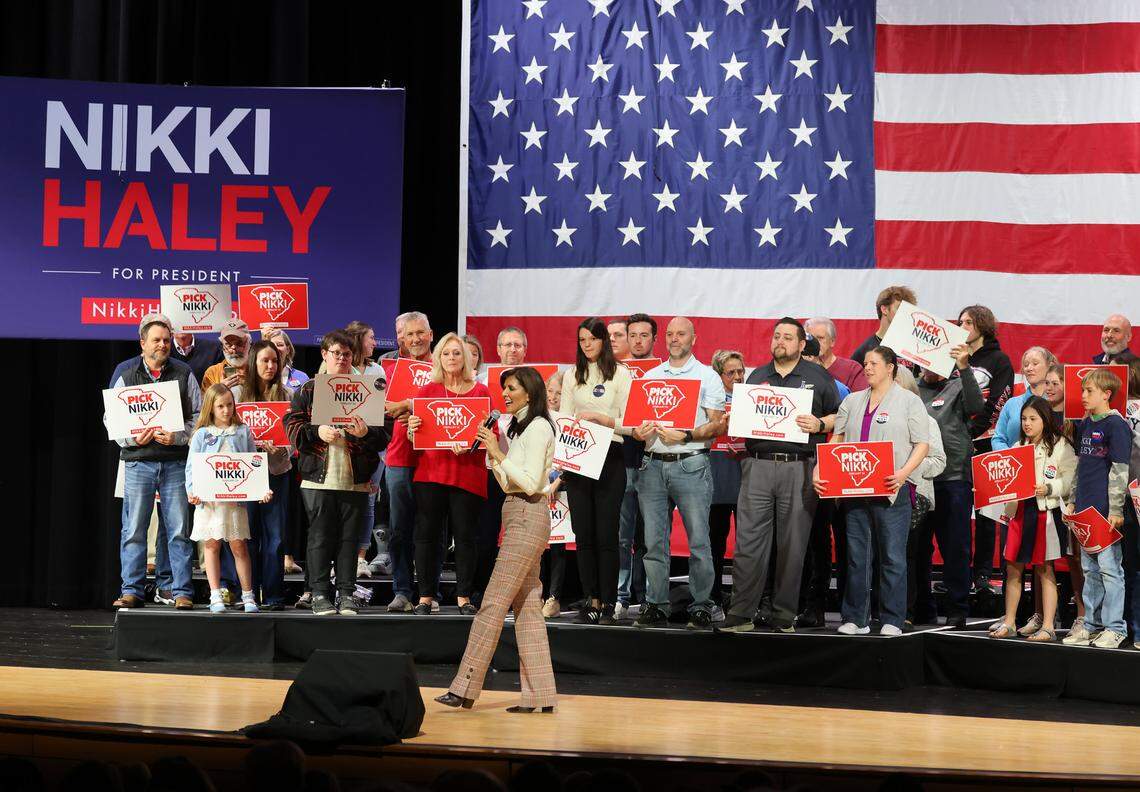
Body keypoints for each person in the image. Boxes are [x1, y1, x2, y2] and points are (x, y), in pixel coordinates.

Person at [436, 366, 558, 713]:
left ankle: (464, 687)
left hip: (527, 516)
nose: (504, 394)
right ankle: (541, 696)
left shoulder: (537, 427)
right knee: (527, 608)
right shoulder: (521, 429)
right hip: (517, 513)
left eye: (511, 388)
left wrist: (499, 453)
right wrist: (494, 452)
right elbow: (509, 484)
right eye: (503, 388)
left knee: (491, 604)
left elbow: (533, 484)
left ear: (530, 393)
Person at [717, 319, 840, 634]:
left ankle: (784, 615)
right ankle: (741, 614)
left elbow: (843, 416)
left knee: (793, 544)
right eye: (776, 336)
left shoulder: (819, 377)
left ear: (801, 345)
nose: (780, 341)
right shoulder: (757, 376)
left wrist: (821, 424)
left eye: (788, 337)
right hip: (756, 464)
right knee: (748, 543)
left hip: (799, 466)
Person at [816, 346, 930, 636]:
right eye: (865, 363)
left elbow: (922, 444)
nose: (867, 368)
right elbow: (836, 439)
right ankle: (856, 617)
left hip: (892, 490)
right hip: (854, 491)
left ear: (891, 367)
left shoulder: (908, 402)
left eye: (874, 363)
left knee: (892, 557)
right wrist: (820, 470)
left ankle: (892, 618)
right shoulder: (852, 401)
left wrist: (904, 474)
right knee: (856, 556)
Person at [284, 330, 389, 616]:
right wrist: (318, 431)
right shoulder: (308, 390)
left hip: (354, 479)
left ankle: (346, 594)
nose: (342, 359)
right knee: (319, 538)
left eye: (346, 354)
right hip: (318, 478)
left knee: (349, 540)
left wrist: (365, 432)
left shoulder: (368, 389)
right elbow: (292, 428)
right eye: (336, 353)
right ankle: (319, 594)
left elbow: (383, 437)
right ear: (324, 355)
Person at [634, 317, 726, 630]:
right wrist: (640, 430)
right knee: (653, 542)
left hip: (691, 463)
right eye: (670, 334)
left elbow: (718, 424)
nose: (675, 339)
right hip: (652, 463)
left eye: (681, 333)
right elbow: (637, 424)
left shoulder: (707, 377)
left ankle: (702, 605)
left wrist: (685, 435)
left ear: (693, 338)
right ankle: (657, 603)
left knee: (699, 541)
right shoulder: (650, 376)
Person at [108, 313, 202, 610]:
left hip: (175, 462)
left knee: (177, 530)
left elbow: (199, 417)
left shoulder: (184, 371)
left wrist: (177, 436)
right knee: (134, 529)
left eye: (166, 339)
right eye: (156, 340)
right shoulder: (125, 371)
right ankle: (132, 590)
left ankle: (180, 590)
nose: (163, 345)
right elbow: (110, 418)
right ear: (142, 343)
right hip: (138, 462)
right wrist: (134, 438)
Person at [406, 333, 493, 615]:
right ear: (438, 358)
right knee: (427, 536)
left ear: (465, 358)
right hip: (431, 473)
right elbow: (414, 435)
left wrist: (471, 443)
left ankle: (464, 597)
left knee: (466, 537)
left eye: (457, 353)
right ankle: (426, 597)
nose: (452, 358)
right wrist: (412, 427)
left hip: (467, 473)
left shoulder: (481, 392)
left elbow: (493, 434)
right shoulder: (428, 391)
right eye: (446, 353)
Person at [560, 317, 633, 624]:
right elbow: (563, 417)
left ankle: (609, 600)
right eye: (582, 340)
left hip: (611, 455)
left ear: (604, 340)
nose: (587, 344)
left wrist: (605, 422)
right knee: (583, 532)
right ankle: (590, 597)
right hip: (578, 455)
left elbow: (631, 423)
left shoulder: (620, 373)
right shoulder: (571, 374)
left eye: (592, 338)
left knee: (607, 534)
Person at [990, 398, 1076, 641]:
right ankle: (1008, 621)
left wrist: (1049, 488)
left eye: (1032, 419)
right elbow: (1005, 480)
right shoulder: (1018, 445)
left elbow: (1071, 479)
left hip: (1045, 514)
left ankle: (1048, 626)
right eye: (1024, 419)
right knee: (1013, 568)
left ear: (1045, 419)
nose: (1027, 424)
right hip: (1018, 513)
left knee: (1045, 569)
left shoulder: (1060, 445)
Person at [916, 344, 985, 627]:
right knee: (918, 549)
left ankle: (957, 608)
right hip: (919, 480)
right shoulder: (910, 389)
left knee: (955, 547)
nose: (929, 367)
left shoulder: (959, 384)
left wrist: (965, 368)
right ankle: (922, 608)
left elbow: (978, 407)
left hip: (953, 477)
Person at [186, 384, 270, 613]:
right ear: (211, 408)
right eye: (220, 406)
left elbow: (253, 463)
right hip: (209, 502)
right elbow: (191, 467)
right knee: (211, 545)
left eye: (229, 405)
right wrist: (192, 491)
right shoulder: (202, 435)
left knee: (239, 546)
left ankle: (248, 595)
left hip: (234, 502)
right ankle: (215, 595)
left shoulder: (242, 431)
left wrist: (262, 488)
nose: (226, 410)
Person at [1062, 369, 1131, 648]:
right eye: (1082, 391)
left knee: (1111, 570)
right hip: (1085, 510)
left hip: (1104, 511)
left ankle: (1115, 628)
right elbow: (1081, 466)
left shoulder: (1117, 426)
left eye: (1089, 391)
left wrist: (1115, 509)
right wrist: (1072, 501)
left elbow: (1120, 470)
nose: (1083, 397)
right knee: (1089, 570)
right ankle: (1092, 625)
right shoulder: (1086, 423)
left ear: (1107, 394)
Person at [231, 340, 293, 609]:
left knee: (275, 537)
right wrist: (247, 445)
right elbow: (223, 434)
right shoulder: (236, 395)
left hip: (277, 470)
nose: (270, 366)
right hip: (245, 475)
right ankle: (247, 594)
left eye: (275, 361)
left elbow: (294, 439)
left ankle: (274, 595)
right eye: (265, 361)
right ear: (254, 363)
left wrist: (281, 448)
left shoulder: (288, 396)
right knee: (246, 536)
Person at [959, 304, 1014, 596]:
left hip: (985, 445)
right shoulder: (955, 358)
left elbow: (999, 403)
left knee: (984, 515)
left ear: (982, 325)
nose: (963, 326)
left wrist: (970, 432)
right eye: (960, 321)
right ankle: (959, 573)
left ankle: (981, 575)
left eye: (968, 321)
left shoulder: (999, 360)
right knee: (954, 513)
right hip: (955, 446)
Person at [383, 311, 433, 611]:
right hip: (399, 456)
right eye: (409, 334)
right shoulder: (388, 368)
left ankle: (430, 592)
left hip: (435, 459)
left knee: (431, 529)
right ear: (401, 336)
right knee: (399, 528)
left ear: (430, 334)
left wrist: (408, 405)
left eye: (420, 333)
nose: (415, 339)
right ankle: (402, 590)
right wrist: (403, 408)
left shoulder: (443, 366)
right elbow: (382, 409)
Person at [617, 312, 657, 617]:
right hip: (624, 461)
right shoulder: (615, 373)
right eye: (634, 335)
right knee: (622, 535)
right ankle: (621, 595)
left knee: (651, 536)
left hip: (658, 462)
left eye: (644, 335)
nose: (638, 341)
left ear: (654, 339)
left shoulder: (666, 373)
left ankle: (647, 597)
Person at [343, 320, 384, 582]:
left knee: (368, 502)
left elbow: (380, 407)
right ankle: (341, 557)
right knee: (345, 503)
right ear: (358, 340)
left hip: (371, 445)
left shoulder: (377, 369)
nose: (375, 343)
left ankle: (360, 558)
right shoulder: (338, 367)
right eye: (371, 338)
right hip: (343, 445)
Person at [708, 349, 745, 607]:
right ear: (719, 375)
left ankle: (745, 596)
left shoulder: (753, 398)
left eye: (740, 371)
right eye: (730, 372)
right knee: (714, 540)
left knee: (746, 542)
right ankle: (712, 595)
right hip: (716, 476)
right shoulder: (710, 399)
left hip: (745, 476)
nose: (737, 376)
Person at [992, 347, 1058, 452]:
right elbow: (998, 439)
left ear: (1050, 366)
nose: (1029, 368)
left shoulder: (1059, 403)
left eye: (1035, 363)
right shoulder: (1011, 404)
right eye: (1026, 365)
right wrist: (1012, 456)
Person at [541, 370, 569, 618]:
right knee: (536, 546)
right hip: (537, 486)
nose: (553, 396)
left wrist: (557, 482)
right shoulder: (537, 417)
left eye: (559, 393)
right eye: (550, 391)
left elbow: (576, 459)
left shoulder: (571, 419)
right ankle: (534, 596)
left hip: (561, 488)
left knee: (558, 545)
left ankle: (554, 597)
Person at [850, 286, 917, 366]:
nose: (905, 314)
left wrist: (927, 378)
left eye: (907, 310)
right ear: (884, 310)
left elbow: (918, 377)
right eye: (900, 309)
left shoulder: (914, 348)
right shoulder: (865, 350)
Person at [805, 317, 867, 392]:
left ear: (832, 341)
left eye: (820, 338)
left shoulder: (852, 369)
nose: (814, 342)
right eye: (811, 338)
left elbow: (860, 401)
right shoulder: (796, 367)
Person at [202, 319, 252, 391]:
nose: (234, 348)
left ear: (249, 342)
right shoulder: (213, 373)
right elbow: (206, 401)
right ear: (222, 346)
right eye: (228, 344)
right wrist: (219, 391)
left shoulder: (259, 368)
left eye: (239, 343)